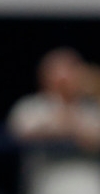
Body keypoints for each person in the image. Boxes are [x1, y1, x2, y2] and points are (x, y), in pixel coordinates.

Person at [6, 47, 100, 194]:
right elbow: (21, 134)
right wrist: (68, 126)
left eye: (73, 70)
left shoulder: (92, 108)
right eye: (59, 71)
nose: (67, 78)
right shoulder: (30, 107)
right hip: (47, 185)